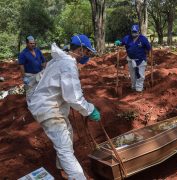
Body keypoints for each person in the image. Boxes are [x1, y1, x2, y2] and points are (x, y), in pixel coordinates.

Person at [27, 34, 101, 179]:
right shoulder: (67, 65)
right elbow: (73, 97)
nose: (87, 56)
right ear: (80, 50)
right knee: (65, 148)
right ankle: (77, 176)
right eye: (86, 52)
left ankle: (63, 169)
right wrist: (90, 110)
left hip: (49, 105)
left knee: (68, 132)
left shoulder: (60, 60)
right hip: (48, 108)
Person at [114, 24, 151, 92]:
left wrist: (149, 56)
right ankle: (134, 87)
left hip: (141, 60)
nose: (134, 33)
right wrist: (118, 43)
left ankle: (139, 89)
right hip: (131, 59)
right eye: (133, 32)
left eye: (135, 32)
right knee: (133, 75)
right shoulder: (127, 38)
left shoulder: (143, 39)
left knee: (140, 75)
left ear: (139, 32)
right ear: (131, 32)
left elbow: (149, 48)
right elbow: (121, 43)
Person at [18, 35, 46, 101]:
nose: (33, 45)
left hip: (39, 74)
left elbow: (43, 60)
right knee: (30, 92)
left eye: (33, 43)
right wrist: (24, 77)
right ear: (27, 43)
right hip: (29, 76)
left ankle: (37, 104)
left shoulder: (37, 51)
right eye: (31, 43)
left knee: (39, 89)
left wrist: (45, 69)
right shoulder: (23, 53)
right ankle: (30, 106)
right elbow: (21, 66)